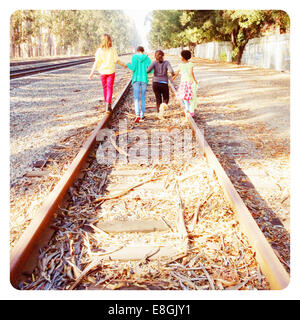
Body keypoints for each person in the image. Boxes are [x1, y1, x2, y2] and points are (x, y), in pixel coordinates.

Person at [89, 34, 127, 114]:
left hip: (102, 72)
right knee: (109, 88)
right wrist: (124, 65)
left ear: (102, 41)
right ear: (110, 40)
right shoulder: (112, 50)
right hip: (111, 72)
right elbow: (117, 60)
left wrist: (92, 72)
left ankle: (107, 104)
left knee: (105, 88)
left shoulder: (99, 50)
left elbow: (96, 62)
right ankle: (108, 106)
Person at [126, 46, 152, 123]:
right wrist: (145, 71)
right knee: (143, 97)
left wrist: (128, 64)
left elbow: (133, 68)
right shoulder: (147, 58)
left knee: (136, 97)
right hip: (144, 79)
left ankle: (137, 115)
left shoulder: (134, 57)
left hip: (136, 79)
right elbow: (151, 70)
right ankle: (142, 115)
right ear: (143, 51)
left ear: (137, 51)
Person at [147, 50, 174, 115]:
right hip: (164, 83)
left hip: (155, 83)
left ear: (155, 56)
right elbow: (171, 71)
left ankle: (159, 113)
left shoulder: (154, 63)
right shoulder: (167, 62)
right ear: (163, 56)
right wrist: (172, 75)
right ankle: (162, 109)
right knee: (166, 98)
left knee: (158, 99)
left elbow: (147, 71)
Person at [172, 50, 198, 117]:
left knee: (185, 97)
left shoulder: (180, 65)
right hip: (190, 82)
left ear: (183, 57)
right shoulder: (191, 64)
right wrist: (195, 80)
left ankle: (187, 108)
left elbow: (176, 73)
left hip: (183, 83)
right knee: (191, 97)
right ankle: (191, 111)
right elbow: (192, 73)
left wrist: (172, 78)